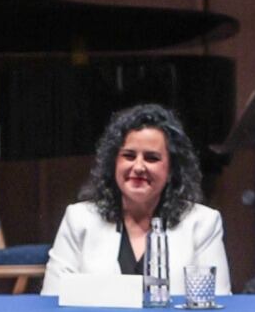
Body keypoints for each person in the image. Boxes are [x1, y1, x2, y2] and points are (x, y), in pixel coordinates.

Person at [43, 103, 232, 295]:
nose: (139, 167)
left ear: (171, 170)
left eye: (152, 158)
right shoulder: (79, 219)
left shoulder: (202, 223)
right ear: (114, 163)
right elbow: (52, 298)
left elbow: (219, 300)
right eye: (129, 156)